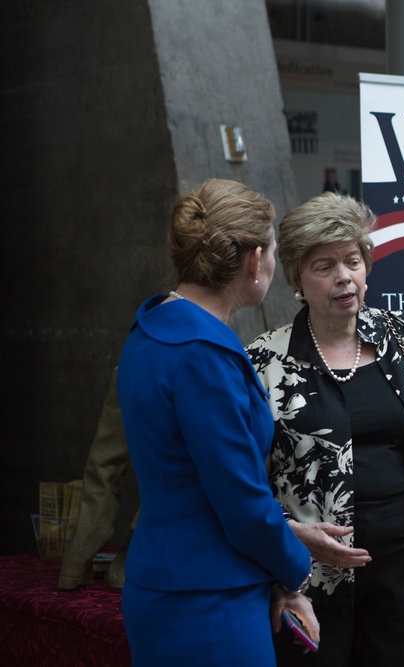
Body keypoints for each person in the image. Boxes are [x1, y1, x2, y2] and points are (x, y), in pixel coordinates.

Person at [246, 191, 404, 667]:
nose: (343, 277)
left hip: (403, 569)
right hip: (307, 577)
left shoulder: (403, 337)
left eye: (352, 260)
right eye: (324, 266)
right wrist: (281, 543)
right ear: (296, 279)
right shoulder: (265, 360)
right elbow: (243, 472)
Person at [116, 179, 318, 667]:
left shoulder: (152, 327)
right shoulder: (204, 353)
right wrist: (295, 570)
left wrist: (286, 532)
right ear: (254, 260)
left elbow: (191, 478)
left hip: (166, 583)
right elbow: (240, 502)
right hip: (208, 601)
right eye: (271, 251)